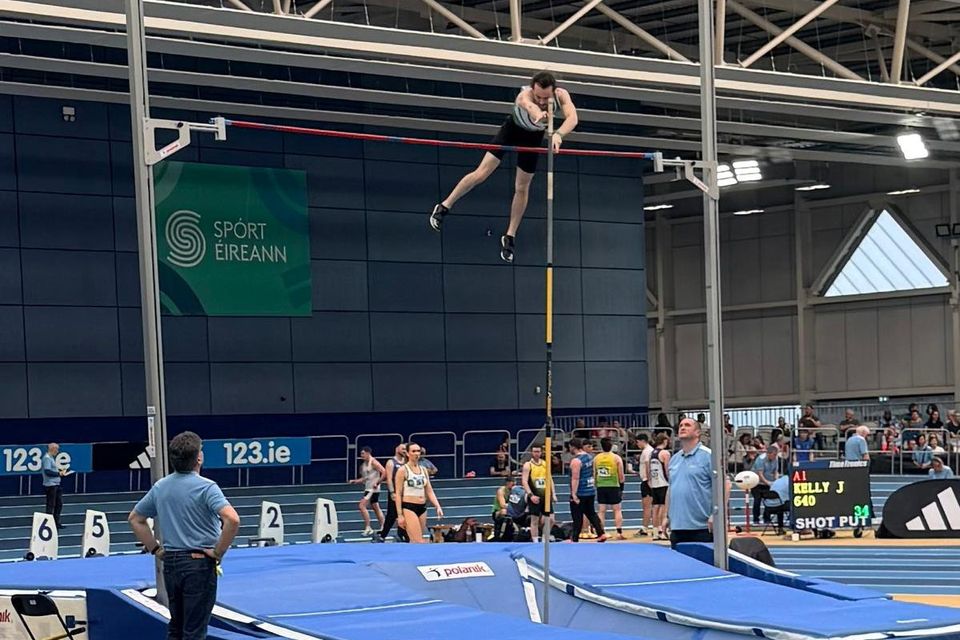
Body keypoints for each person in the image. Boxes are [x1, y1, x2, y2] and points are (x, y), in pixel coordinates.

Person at [430, 71, 579, 263]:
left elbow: (573, 118)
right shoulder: (525, 95)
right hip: (512, 130)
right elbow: (529, 106)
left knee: (522, 187)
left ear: (553, 91)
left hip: (532, 138)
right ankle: (444, 206)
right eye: (539, 96)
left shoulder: (561, 95)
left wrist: (558, 134)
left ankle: (509, 237)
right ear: (533, 89)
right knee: (481, 173)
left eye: (546, 97)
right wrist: (538, 113)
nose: (542, 101)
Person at [128, 432, 240, 640]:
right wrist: (217, 552)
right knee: (194, 631)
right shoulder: (206, 487)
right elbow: (232, 520)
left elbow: (136, 519)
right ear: (199, 458)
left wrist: (156, 549)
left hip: (171, 563)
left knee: (176, 627)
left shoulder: (161, 487)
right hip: (198, 563)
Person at [661, 418, 713, 548]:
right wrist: (666, 516)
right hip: (677, 527)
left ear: (697, 432)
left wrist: (716, 515)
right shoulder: (674, 459)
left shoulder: (709, 456)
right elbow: (671, 489)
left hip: (702, 527)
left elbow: (725, 486)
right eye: (681, 425)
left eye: (687, 425)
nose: (683, 427)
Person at [395, 442, 444, 544]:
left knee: (416, 539)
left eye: (418, 451)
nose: (417, 453)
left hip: (422, 506)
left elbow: (429, 490)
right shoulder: (402, 470)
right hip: (409, 506)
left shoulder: (423, 470)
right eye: (413, 451)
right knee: (418, 540)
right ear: (408, 453)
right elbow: (398, 494)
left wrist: (437, 506)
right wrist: (400, 515)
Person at [567, 438, 606, 543]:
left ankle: (574, 538)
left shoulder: (576, 461)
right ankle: (601, 533)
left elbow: (575, 478)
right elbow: (593, 472)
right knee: (591, 513)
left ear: (573, 447)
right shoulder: (590, 457)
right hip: (590, 490)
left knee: (577, 516)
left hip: (581, 491)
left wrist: (574, 494)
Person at [521, 444, 555, 543]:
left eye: (538, 452)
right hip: (534, 496)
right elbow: (524, 481)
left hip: (545, 496)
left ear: (541, 452)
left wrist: (553, 493)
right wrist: (531, 495)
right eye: (535, 451)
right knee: (534, 520)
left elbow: (550, 479)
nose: (537, 454)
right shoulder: (528, 465)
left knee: (551, 519)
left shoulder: (545, 463)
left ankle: (545, 537)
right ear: (531, 452)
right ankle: (535, 540)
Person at [595, 438, 626, 540]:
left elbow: (594, 474)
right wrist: (622, 488)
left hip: (601, 486)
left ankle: (601, 532)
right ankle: (619, 532)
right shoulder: (616, 458)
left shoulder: (596, 458)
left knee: (601, 510)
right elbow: (621, 475)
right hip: (613, 485)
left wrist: (596, 485)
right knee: (617, 509)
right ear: (611, 446)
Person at [349, 446, 385, 537]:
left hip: (373, 489)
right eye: (361, 454)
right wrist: (355, 481)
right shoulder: (363, 465)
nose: (361, 455)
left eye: (363, 453)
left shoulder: (374, 462)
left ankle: (368, 528)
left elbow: (384, 472)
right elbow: (365, 478)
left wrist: (378, 482)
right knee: (376, 507)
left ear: (368, 453)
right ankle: (384, 526)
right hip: (368, 488)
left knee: (361, 506)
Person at [377, 443, 409, 542]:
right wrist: (392, 492)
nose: (404, 450)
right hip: (395, 492)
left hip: (405, 492)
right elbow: (389, 479)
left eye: (405, 449)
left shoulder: (407, 462)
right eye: (402, 449)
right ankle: (383, 535)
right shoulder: (391, 462)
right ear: (396, 449)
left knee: (405, 514)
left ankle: (402, 535)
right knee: (392, 514)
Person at [648, 433, 671, 540]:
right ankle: (662, 530)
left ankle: (655, 531)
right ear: (665, 441)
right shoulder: (665, 453)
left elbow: (648, 469)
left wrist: (650, 481)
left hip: (655, 483)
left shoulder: (651, 453)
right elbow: (667, 469)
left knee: (655, 507)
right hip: (663, 483)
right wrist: (670, 479)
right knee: (663, 507)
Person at [752, 444, 780, 525]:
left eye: (776, 454)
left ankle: (767, 519)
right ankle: (756, 520)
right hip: (757, 483)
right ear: (769, 453)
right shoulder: (760, 459)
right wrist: (768, 482)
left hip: (768, 482)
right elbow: (760, 474)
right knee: (757, 501)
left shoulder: (775, 459)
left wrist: (776, 480)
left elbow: (775, 472)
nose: (775, 456)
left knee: (768, 500)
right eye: (774, 454)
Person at [41, 443, 66, 530]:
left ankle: (56, 522)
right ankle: (48, 523)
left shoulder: (51, 458)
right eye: (57, 449)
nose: (58, 451)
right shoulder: (47, 458)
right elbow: (48, 472)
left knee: (58, 504)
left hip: (55, 484)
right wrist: (59, 473)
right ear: (52, 449)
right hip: (50, 485)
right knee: (51, 505)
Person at [635, 434, 654, 537]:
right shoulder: (647, 451)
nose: (637, 444)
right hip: (646, 480)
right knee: (647, 506)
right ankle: (646, 527)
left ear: (643, 441)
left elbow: (648, 466)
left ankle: (645, 528)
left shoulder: (647, 451)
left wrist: (648, 480)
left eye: (638, 442)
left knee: (647, 506)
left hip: (647, 481)